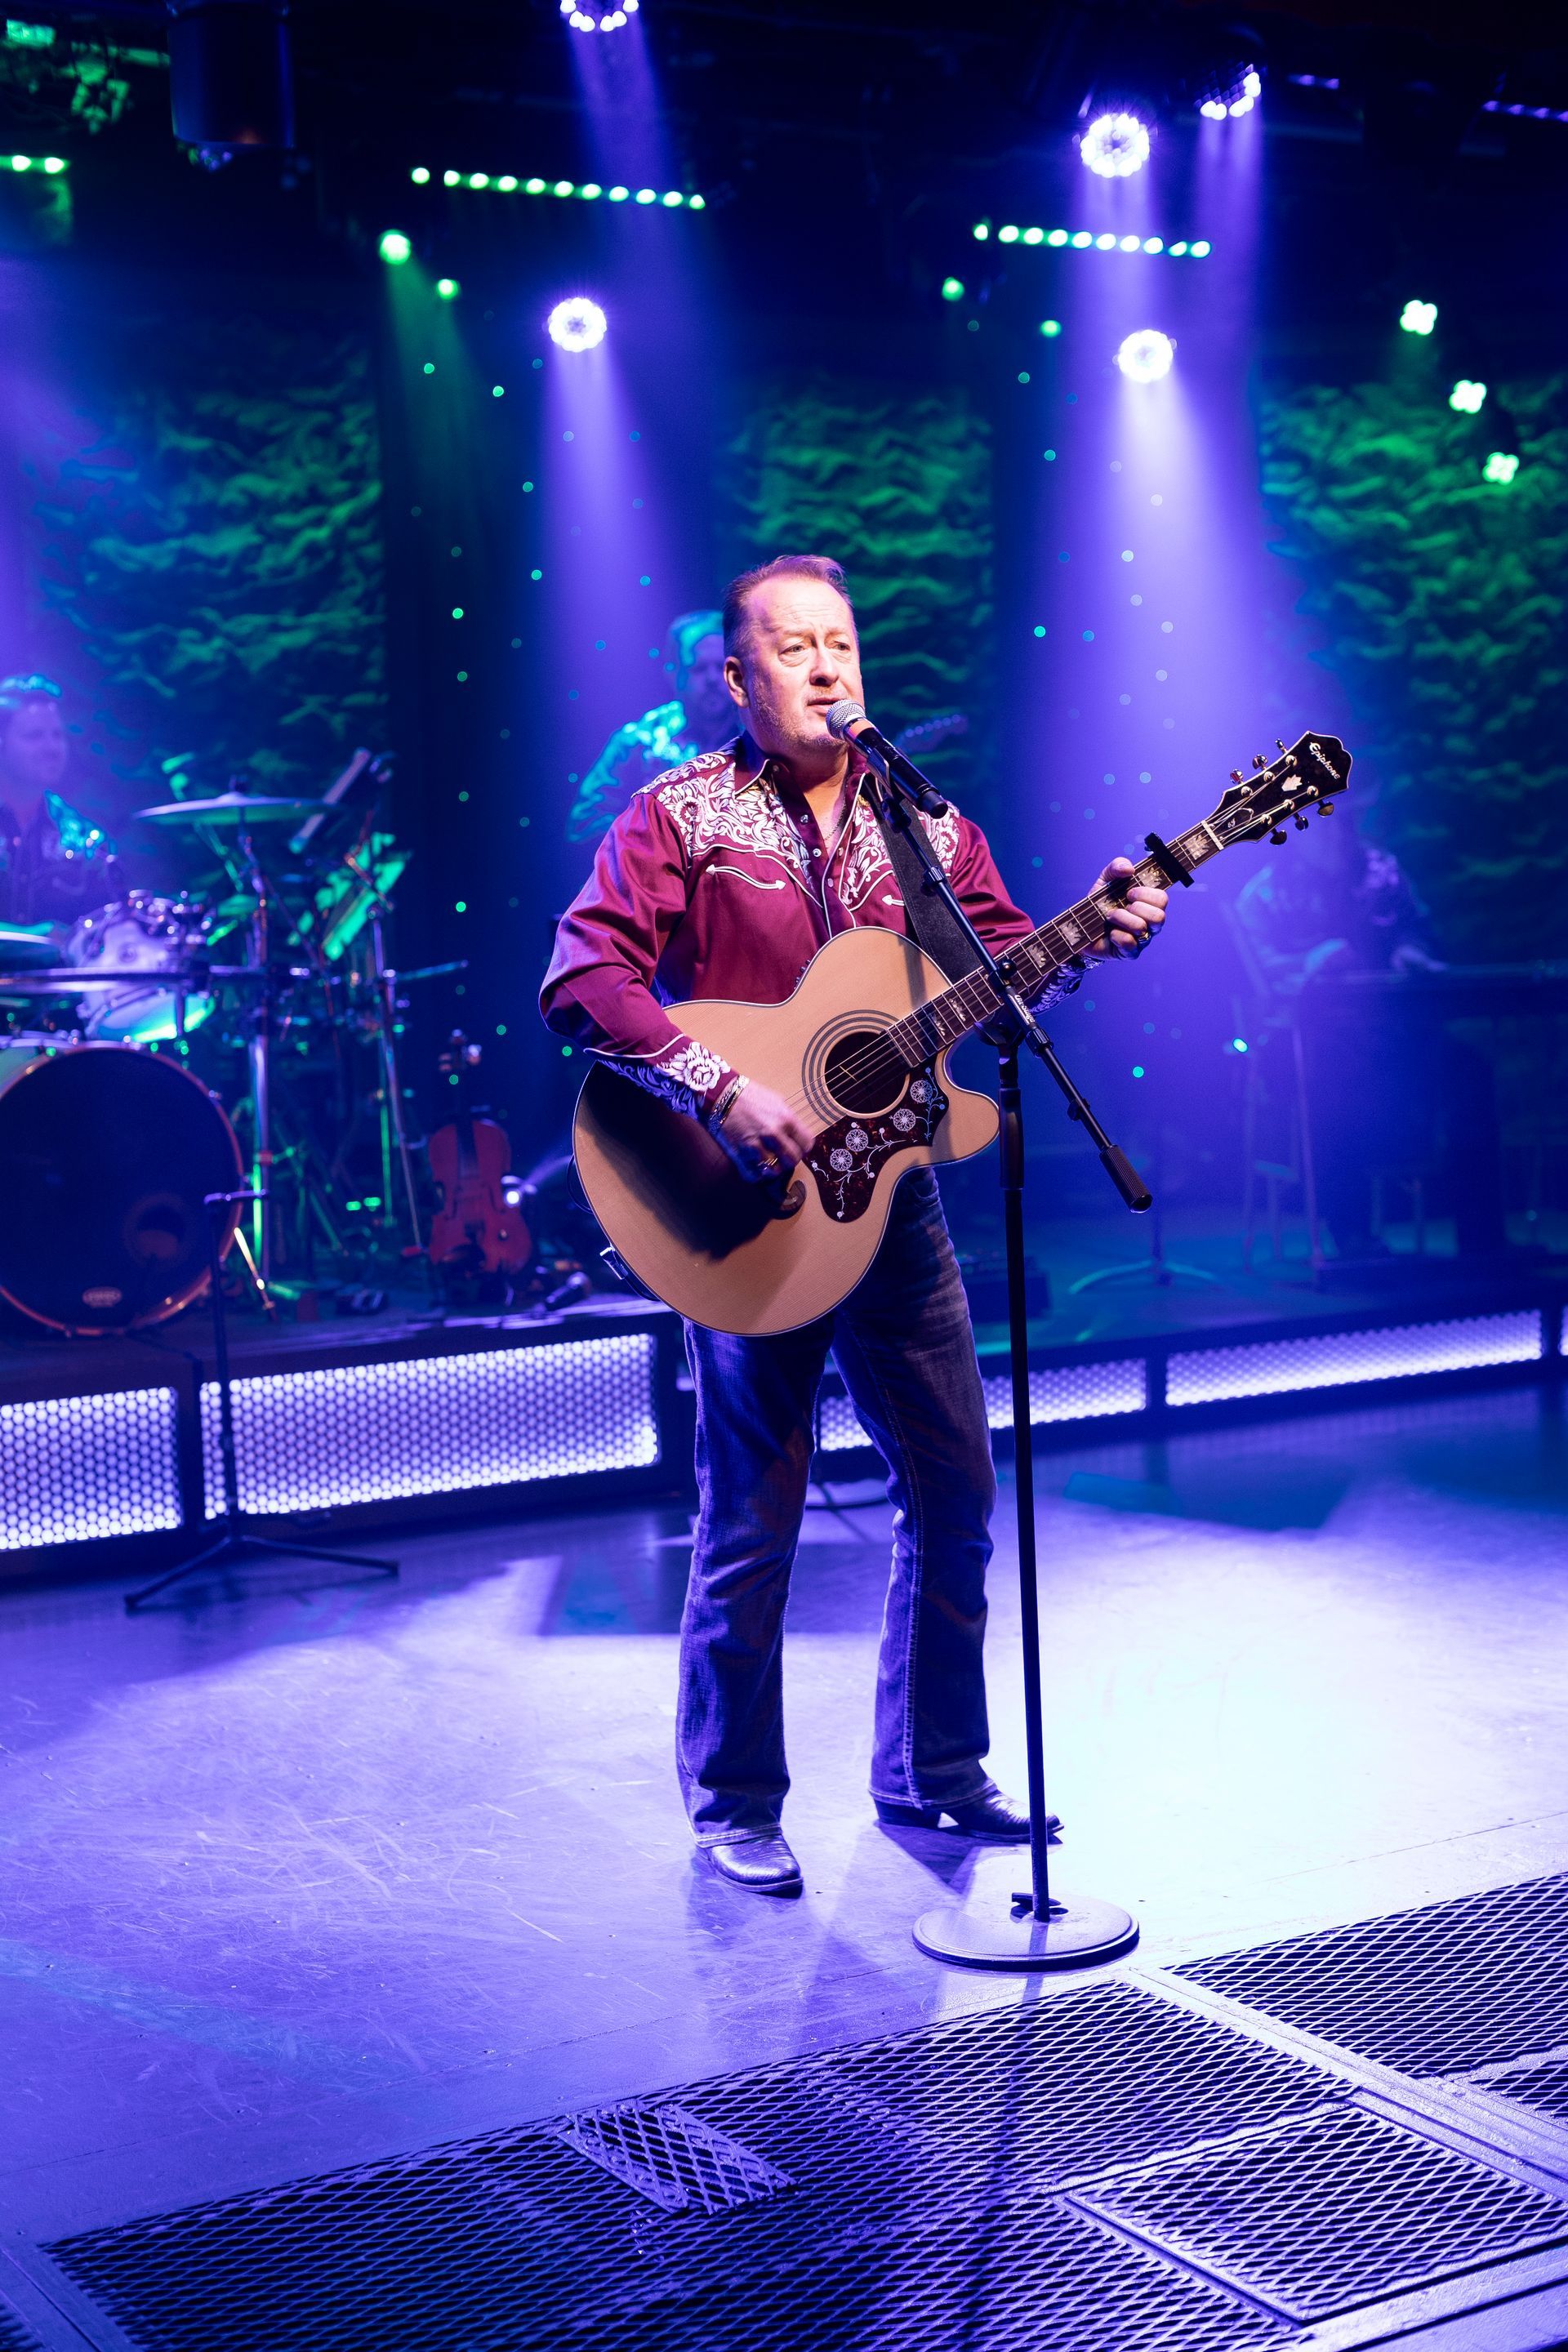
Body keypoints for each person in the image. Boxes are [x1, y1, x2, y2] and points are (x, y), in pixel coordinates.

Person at [541, 555, 1169, 1894]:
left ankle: (936, 1772)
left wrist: (1098, 935)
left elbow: (1001, 987)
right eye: (793, 646)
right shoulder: (681, 816)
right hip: (740, 1205)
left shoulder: (925, 826)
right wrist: (721, 1082)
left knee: (956, 1491)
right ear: (738, 676)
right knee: (751, 1521)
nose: (826, 666)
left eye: (842, 643)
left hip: (896, 1203)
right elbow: (582, 976)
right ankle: (731, 1797)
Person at [566, 610, 733, 843]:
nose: (713, 679)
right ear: (673, 674)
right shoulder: (638, 742)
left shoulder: (759, 737)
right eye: (698, 668)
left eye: (720, 666)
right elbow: (586, 822)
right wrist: (652, 846)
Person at [0, 675, 119, 928]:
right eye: (34, 736)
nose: (51, 747)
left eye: (57, 735)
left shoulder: (87, 843)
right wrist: (32, 939)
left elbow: (109, 941)